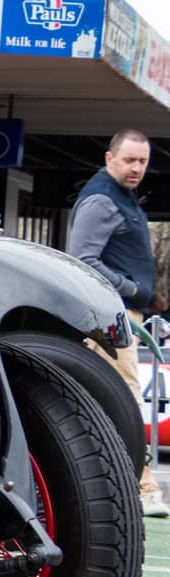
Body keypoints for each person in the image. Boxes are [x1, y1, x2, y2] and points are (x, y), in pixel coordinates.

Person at [68, 128, 170, 518]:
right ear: (109, 159)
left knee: (112, 399)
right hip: (112, 316)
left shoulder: (119, 198)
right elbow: (83, 259)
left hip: (119, 314)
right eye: (129, 160)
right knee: (124, 398)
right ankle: (142, 488)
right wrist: (131, 290)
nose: (136, 168)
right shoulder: (102, 200)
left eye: (142, 161)